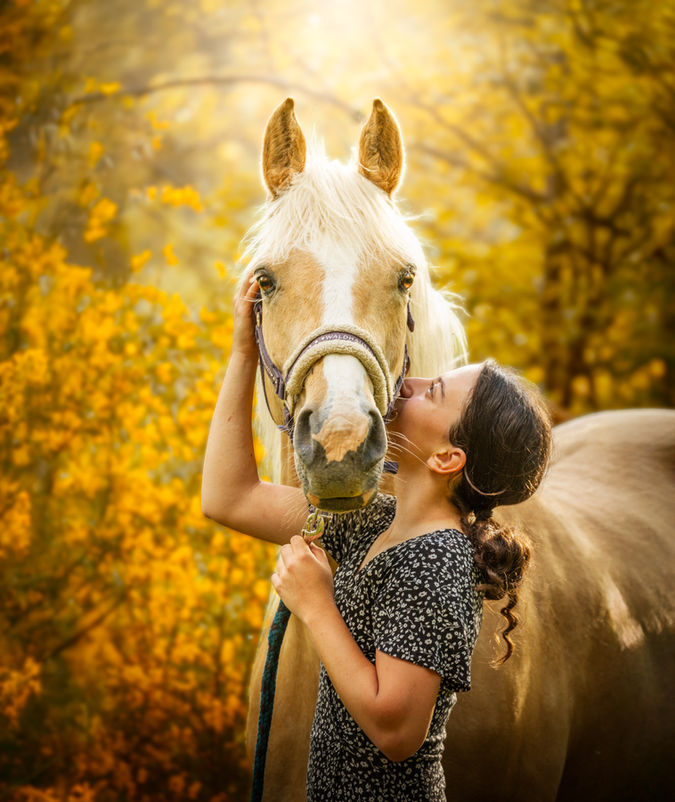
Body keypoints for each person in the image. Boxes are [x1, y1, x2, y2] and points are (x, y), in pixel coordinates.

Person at [201, 272, 552, 802]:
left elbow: (396, 733)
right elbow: (229, 497)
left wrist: (317, 604)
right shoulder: (373, 521)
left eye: (429, 391)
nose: (402, 383)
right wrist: (243, 352)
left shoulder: (436, 562)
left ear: (446, 458)